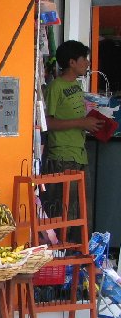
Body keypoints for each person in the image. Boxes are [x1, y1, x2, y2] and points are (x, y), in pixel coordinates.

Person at [41, 40, 104, 242]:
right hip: (61, 157)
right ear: (71, 62)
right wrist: (81, 122)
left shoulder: (76, 86)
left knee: (82, 213)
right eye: (83, 59)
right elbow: (48, 123)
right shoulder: (55, 87)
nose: (87, 63)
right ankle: (62, 260)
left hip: (79, 154)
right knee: (64, 212)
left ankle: (81, 259)